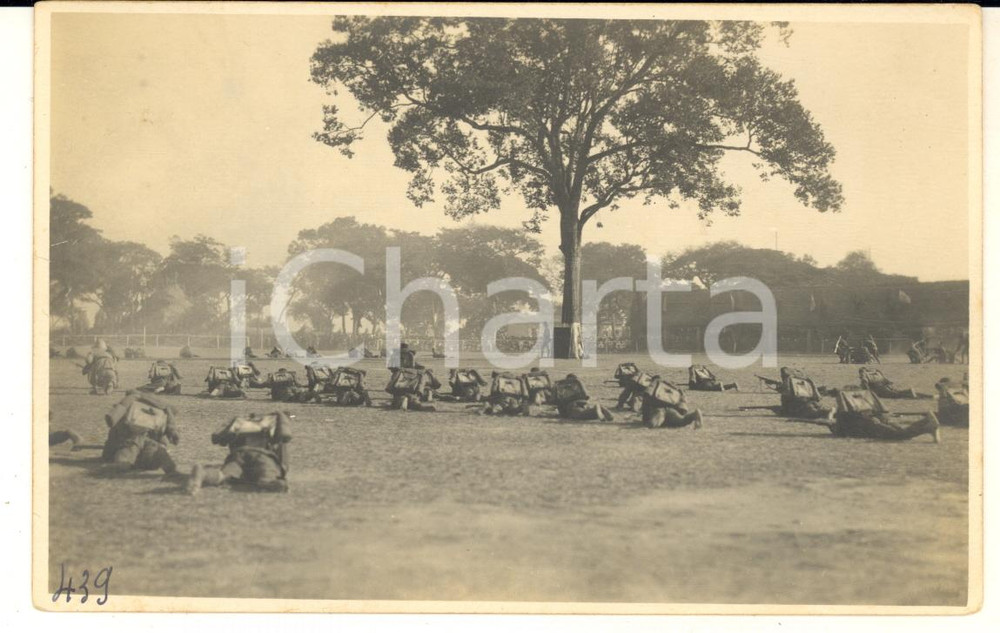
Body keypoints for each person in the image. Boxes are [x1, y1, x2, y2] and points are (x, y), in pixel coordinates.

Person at [186, 411, 292, 494]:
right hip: (262, 455)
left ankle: (203, 474)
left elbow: (217, 439)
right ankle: (269, 482)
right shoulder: (274, 421)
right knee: (266, 477)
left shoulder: (240, 421)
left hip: (237, 455)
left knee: (224, 475)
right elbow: (285, 438)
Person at [101, 391, 182, 475]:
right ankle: (170, 469)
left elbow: (115, 417)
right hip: (141, 450)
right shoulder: (164, 410)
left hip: (138, 449)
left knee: (139, 448)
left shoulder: (131, 401)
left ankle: (123, 464)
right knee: (153, 449)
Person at [829, 389, 940, 442]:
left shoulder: (840, 424)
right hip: (875, 419)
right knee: (900, 432)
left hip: (869, 424)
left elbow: (837, 427)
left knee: (900, 434)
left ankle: (928, 426)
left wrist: (831, 414)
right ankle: (926, 423)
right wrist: (832, 414)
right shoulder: (843, 419)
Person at [858, 367, 931, 399]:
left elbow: (865, 384)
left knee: (897, 395)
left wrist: (867, 393)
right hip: (886, 385)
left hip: (880, 389)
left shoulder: (863, 374)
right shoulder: (875, 372)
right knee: (897, 392)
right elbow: (885, 379)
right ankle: (929, 396)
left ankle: (909, 391)